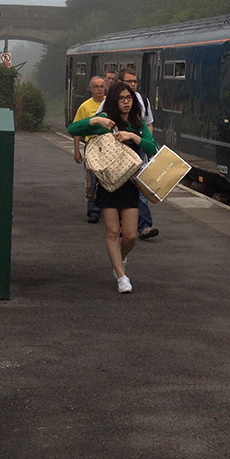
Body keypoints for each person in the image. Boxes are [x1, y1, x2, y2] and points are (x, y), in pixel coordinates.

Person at [68, 81, 157, 293]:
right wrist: (95, 120)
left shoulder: (138, 124)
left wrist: (134, 136)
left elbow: (152, 147)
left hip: (130, 184)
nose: (126, 102)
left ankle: (120, 259)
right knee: (112, 231)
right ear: (113, 101)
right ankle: (121, 277)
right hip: (108, 183)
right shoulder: (105, 122)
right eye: (121, 98)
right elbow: (73, 129)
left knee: (130, 236)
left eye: (129, 98)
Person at [119, 68, 159, 240]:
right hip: (119, 153)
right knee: (120, 188)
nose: (133, 85)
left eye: (135, 81)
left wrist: (146, 143)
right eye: (129, 82)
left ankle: (145, 226)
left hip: (139, 148)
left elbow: (148, 124)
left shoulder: (143, 100)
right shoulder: (109, 102)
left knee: (141, 188)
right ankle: (123, 225)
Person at [72, 76, 107, 223]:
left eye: (101, 86)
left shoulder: (109, 104)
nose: (99, 89)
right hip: (92, 145)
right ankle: (93, 211)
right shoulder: (85, 107)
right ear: (91, 89)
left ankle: (108, 209)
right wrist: (77, 150)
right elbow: (77, 129)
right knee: (92, 179)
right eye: (96, 86)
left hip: (108, 146)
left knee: (108, 179)